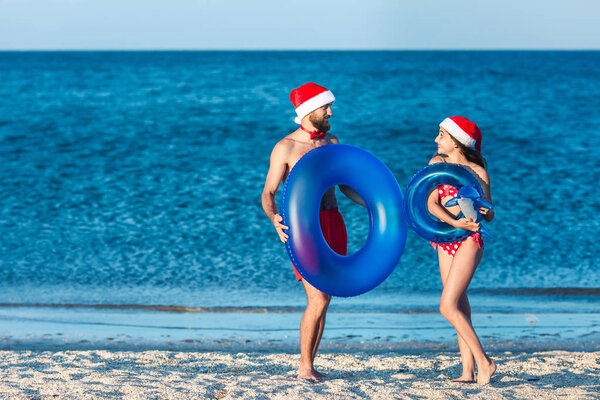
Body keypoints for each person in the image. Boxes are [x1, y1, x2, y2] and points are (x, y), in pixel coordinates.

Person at [261, 82, 363, 382]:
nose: (330, 112)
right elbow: (267, 192)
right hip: (303, 227)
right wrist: (273, 217)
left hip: (333, 221)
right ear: (309, 111)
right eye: (325, 107)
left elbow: (345, 185)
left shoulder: (332, 141)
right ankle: (304, 367)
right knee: (316, 299)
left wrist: (374, 204)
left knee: (325, 298)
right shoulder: (286, 148)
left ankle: (311, 363)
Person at [426, 116, 496, 384]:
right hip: (445, 239)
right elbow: (432, 204)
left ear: (457, 143)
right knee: (459, 305)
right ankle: (467, 372)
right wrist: (453, 220)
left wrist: (480, 207)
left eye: (442, 135)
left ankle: (484, 362)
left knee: (447, 305)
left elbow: (490, 214)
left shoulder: (478, 172)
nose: (436, 140)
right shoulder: (437, 164)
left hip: (470, 239)